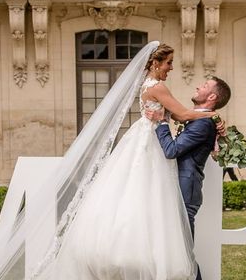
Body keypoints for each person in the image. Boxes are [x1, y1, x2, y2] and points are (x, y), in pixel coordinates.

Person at [37, 43, 224, 280]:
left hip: (148, 135)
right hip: (151, 140)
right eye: (168, 63)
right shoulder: (157, 87)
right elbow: (184, 115)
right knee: (147, 192)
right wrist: (213, 115)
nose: (171, 68)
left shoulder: (149, 85)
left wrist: (201, 118)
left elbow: (177, 114)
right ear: (156, 63)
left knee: (138, 193)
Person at [152, 74, 232, 280]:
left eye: (204, 85)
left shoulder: (203, 125)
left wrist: (161, 123)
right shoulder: (201, 119)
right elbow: (182, 115)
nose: (198, 86)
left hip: (185, 192)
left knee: (184, 253)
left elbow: (171, 150)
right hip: (179, 189)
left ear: (212, 96)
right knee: (175, 252)